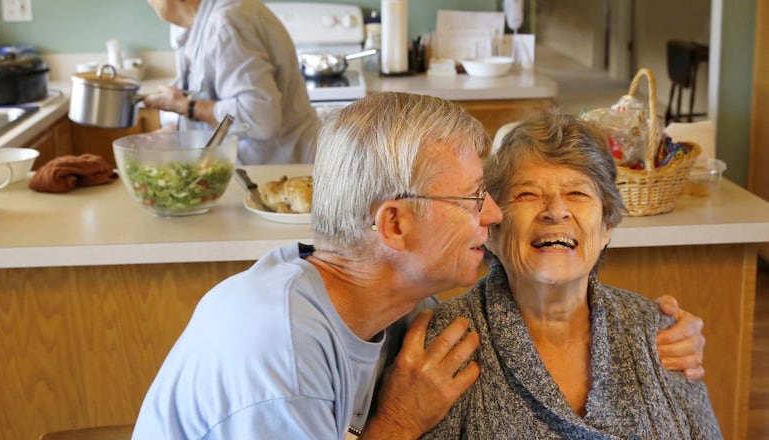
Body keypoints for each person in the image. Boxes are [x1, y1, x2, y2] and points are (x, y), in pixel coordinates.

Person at [132, 93, 706, 440]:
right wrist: (400, 422)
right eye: (473, 197)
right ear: (394, 226)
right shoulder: (278, 354)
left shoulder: (407, 317)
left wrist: (672, 334)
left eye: (579, 197)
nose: (493, 212)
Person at [422, 109, 721, 439]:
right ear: (492, 228)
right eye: (527, 194)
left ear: (606, 226)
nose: (556, 211)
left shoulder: (661, 334)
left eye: (577, 193)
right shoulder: (445, 346)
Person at [144, 0, 320, 165]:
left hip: (277, 169)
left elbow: (260, 118)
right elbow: (220, 102)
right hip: (261, 166)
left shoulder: (227, 23)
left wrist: (187, 106)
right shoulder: (203, 23)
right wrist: (179, 133)